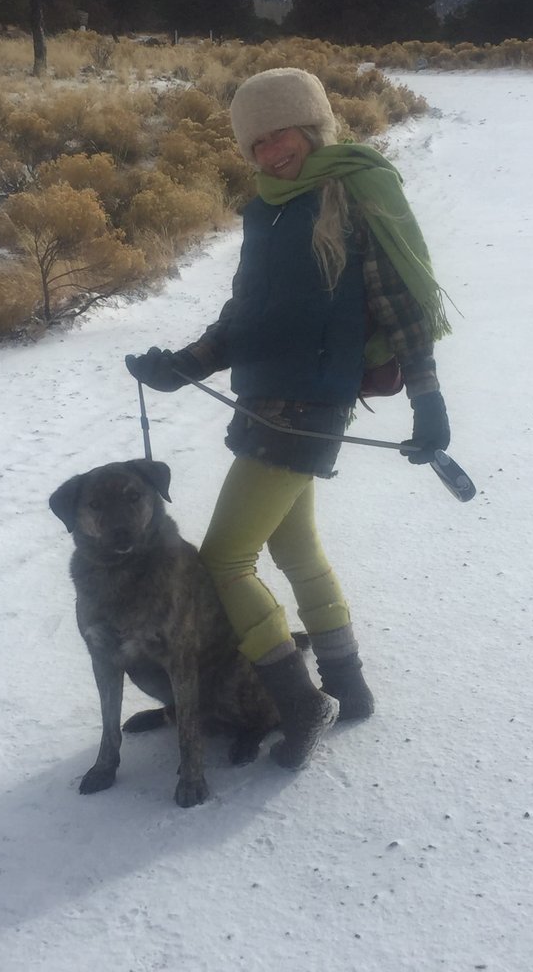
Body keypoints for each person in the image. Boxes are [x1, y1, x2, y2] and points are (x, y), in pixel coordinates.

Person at [126, 68, 452, 771]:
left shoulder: (352, 193)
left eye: (282, 136)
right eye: (258, 144)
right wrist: (183, 365)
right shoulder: (265, 211)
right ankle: (348, 687)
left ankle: (301, 703)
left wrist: (429, 402)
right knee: (294, 550)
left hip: (309, 405)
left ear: (312, 126)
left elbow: (399, 307)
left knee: (224, 561)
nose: (273, 154)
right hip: (263, 397)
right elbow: (246, 313)